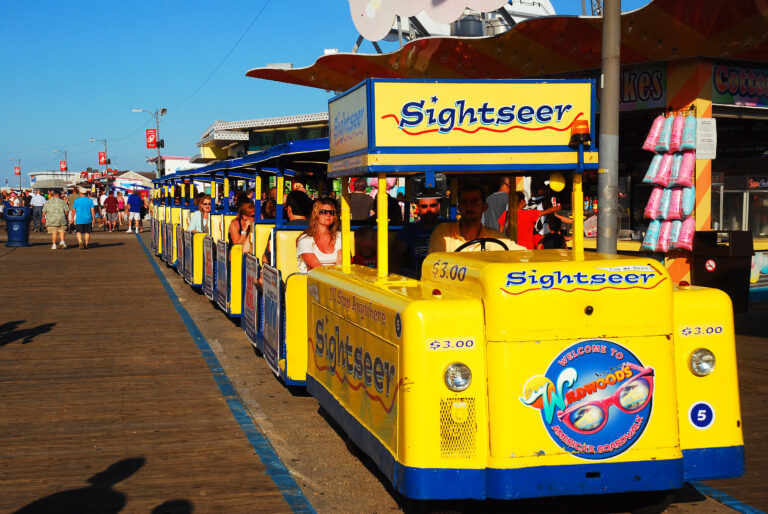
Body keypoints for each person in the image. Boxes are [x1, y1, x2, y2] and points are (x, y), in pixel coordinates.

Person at [429, 183, 522, 253]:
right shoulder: (443, 233)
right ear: (459, 208)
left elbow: (523, 254)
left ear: (485, 207)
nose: (469, 208)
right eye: (464, 202)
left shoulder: (497, 238)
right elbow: (434, 267)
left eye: (475, 202)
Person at [392, 190, 441, 278]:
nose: (429, 209)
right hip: (416, 276)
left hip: (444, 275)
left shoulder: (448, 225)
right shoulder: (410, 229)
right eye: (424, 206)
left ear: (438, 207)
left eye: (432, 205)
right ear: (418, 209)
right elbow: (395, 254)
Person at [297, 197, 342, 273]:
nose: (328, 215)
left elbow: (341, 265)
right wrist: (333, 266)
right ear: (316, 214)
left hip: (337, 279)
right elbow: (318, 268)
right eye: (324, 212)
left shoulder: (339, 237)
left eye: (331, 212)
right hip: (312, 282)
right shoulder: (305, 239)